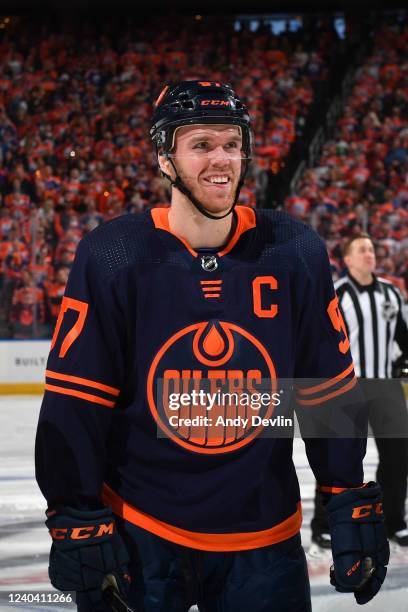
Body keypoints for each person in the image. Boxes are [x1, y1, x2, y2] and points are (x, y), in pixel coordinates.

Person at [35, 81, 389, 612]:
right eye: (201, 144)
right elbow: (77, 401)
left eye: (231, 142)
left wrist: (346, 493)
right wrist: (75, 514)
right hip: (141, 532)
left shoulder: (294, 250)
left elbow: (327, 384)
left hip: (264, 534)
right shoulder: (113, 255)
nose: (221, 159)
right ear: (164, 156)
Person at [311, 232, 408, 548]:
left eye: (371, 249)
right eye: (362, 250)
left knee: (398, 456)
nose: (369, 254)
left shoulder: (391, 294)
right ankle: (325, 524)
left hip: (385, 385)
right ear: (348, 260)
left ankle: (393, 520)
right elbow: (321, 338)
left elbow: (403, 338)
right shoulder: (336, 293)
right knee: (336, 456)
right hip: (346, 387)